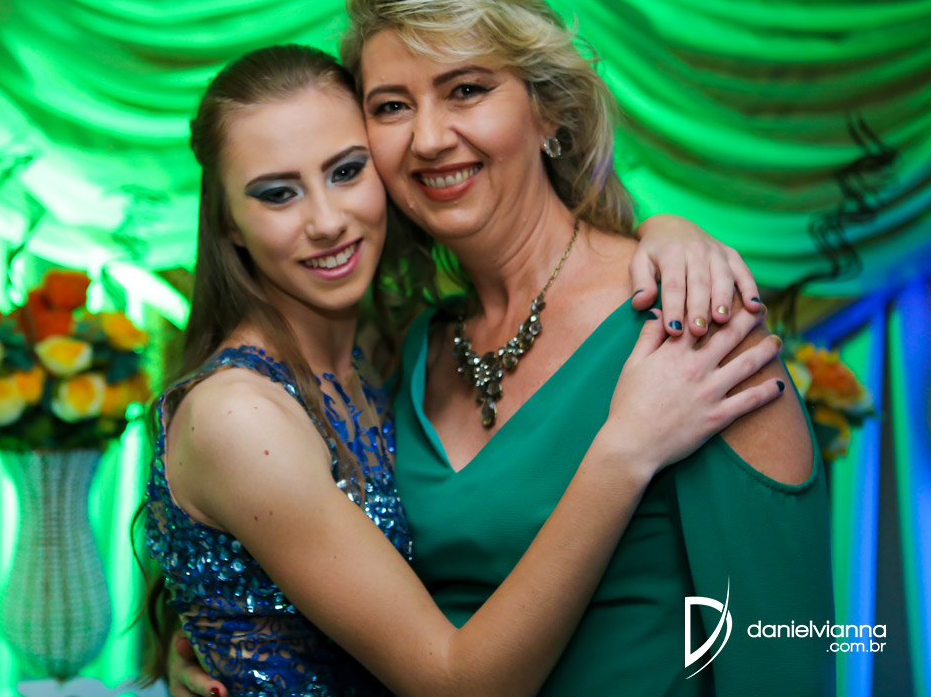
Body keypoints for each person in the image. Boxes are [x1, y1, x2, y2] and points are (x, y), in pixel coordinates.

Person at [143, 42, 790, 697]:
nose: (327, 221)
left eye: (346, 171)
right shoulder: (240, 414)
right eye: (278, 194)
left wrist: (669, 232)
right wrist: (626, 449)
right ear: (229, 223)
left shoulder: (391, 357)